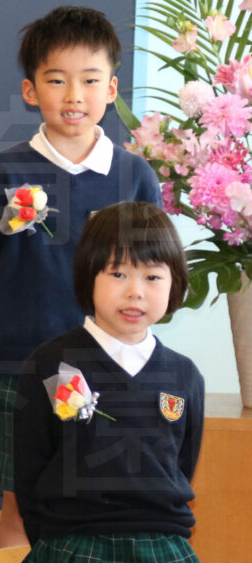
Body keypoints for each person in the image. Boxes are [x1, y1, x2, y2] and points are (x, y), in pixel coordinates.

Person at [0, 5, 161, 546]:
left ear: (111, 88)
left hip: (115, 364)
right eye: (57, 80)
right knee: (20, 503)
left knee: (104, 498)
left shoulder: (134, 176)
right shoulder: (4, 173)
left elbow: (154, 269)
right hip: (23, 361)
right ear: (31, 91)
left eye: (90, 80)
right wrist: (17, 324)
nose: (74, 95)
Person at [14, 201, 203, 562]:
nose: (135, 291)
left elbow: (182, 466)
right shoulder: (50, 363)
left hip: (162, 545)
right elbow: (29, 468)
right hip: (73, 542)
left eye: (152, 277)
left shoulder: (184, 374)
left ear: (174, 282)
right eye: (118, 274)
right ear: (89, 276)